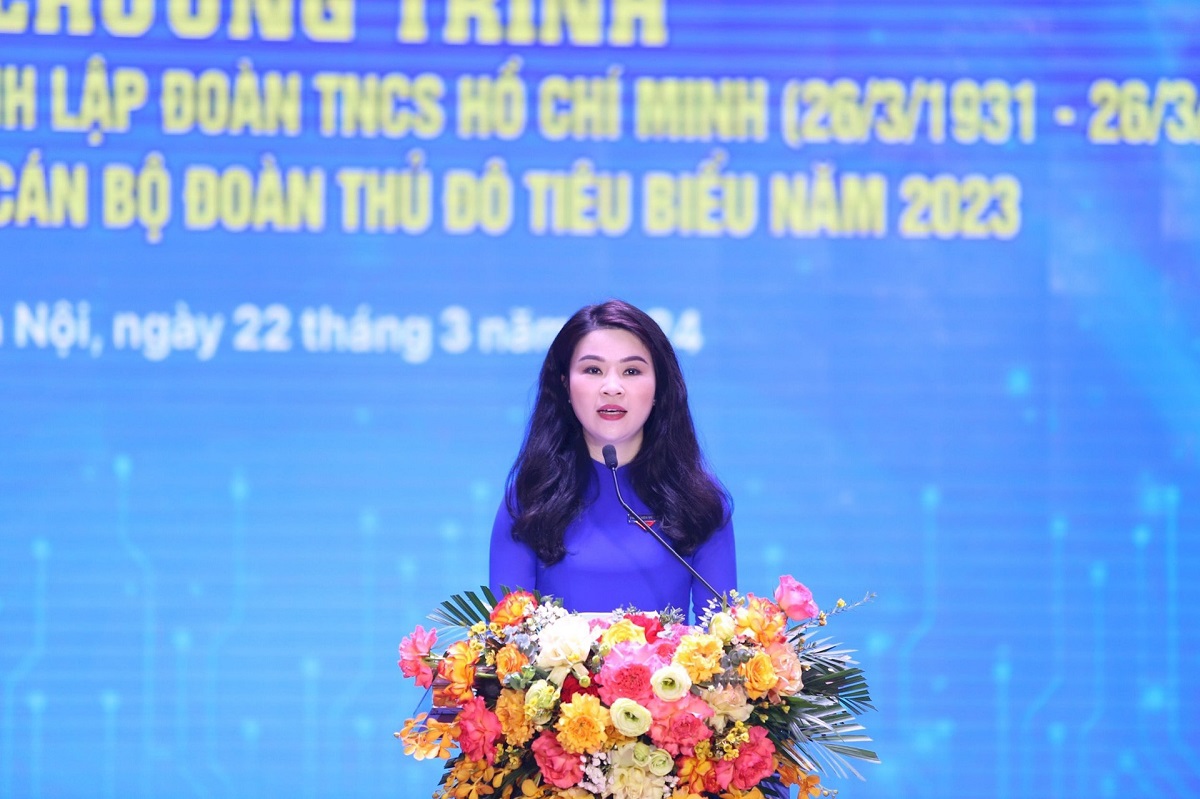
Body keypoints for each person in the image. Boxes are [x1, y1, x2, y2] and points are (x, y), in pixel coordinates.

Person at [488, 299, 735, 620]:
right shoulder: (529, 501)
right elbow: (507, 640)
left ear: (659, 387)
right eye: (593, 370)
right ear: (564, 384)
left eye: (632, 371)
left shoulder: (700, 502)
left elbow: (720, 639)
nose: (612, 388)